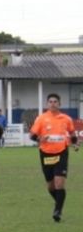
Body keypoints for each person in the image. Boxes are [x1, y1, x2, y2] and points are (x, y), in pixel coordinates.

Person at [30, 94, 78, 223]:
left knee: (59, 183)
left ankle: (57, 211)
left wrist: (74, 143)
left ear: (59, 104)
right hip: (45, 153)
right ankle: (59, 202)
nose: (53, 104)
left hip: (62, 152)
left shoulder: (66, 119)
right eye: (50, 102)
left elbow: (72, 133)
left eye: (55, 101)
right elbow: (32, 135)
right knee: (51, 187)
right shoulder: (41, 119)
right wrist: (40, 139)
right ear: (47, 104)